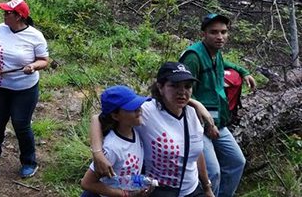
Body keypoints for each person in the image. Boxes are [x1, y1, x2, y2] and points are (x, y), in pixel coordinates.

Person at [91, 62, 215, 197]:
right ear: (160, 87)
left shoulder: (192, 114)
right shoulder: (146, 111)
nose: (182, 92)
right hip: (159, 190)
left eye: (187, 87)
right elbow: (97, 118)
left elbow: (196, 153)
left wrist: (206, 186)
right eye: (174, 86)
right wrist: (97, 153)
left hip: (192, 190)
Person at [179, 14, 255, 197]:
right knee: (213, 172)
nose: (220, 36)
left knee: (237, 161)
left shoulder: (215, 53)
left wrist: (243, 72)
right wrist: (206, 124)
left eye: (223, 32)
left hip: (218, 122)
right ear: (203, 34)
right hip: (196, 124)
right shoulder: (193, 57)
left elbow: (223, 62)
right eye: (214, 32)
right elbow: (181, 93)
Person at [0, 0, 49, 178]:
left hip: (25, 89)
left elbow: (44, 60)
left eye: (7, 13)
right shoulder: (0, 29)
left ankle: (29, 161)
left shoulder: (35, 36)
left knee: (21, 123)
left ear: (19, 17)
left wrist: (34, 66)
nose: (4, 15)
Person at [80, 86, 152, 197]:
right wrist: (124, 194)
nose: (139, 110)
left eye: (138, 105)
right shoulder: (112, 148)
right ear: (115, 116)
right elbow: (87, 183)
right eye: (132, 108)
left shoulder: (135, 130)